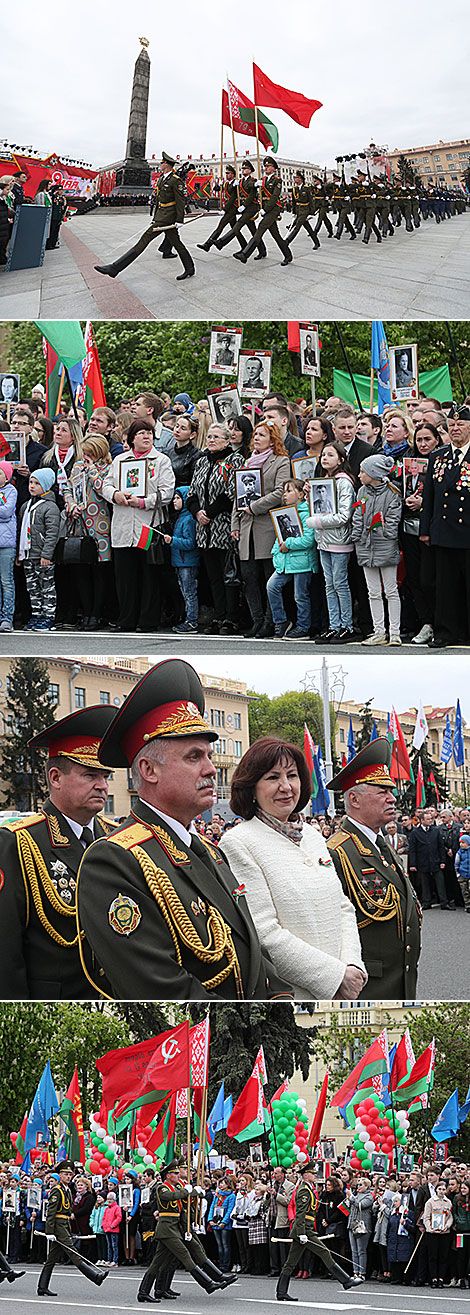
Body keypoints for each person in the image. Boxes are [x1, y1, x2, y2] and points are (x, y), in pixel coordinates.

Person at [76, 660, 294, 1001]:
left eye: (209, 755)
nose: (210, 769)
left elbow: (251, 949)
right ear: (149, 770)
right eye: (194, 757)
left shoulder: (211, 851)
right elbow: (159, 987)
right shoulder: (114, 861)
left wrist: (280, 1000)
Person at [220, 735, 367, 1000]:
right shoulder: (238, 842)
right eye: (273, 778)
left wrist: (352, 966)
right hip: (292, 996)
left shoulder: (311, 835)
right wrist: (334, 976)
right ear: (251, 787)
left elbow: (342, 906)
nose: (286, 787)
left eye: (292, 775)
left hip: (343, 989)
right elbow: (263, 932)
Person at [0, 706, 116, 999]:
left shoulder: (116, 837)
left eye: (105, 776)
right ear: (56, 778)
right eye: (90, 775)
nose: (102, 786)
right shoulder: (18, 843)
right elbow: (5, 950)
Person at [326, 738, 421, 997]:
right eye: (382, 792)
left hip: (399, 980)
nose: (392, 798)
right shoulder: (337, 852)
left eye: (391, 791)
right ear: (354, 799)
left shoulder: (381, 844)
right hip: (369, 987)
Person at [102, 418, 175, 632]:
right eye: (142, 433)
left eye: (150, 433)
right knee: (125, 576)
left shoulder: (161, 460)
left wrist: (144, 502)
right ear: (132, 438)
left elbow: (167, 491)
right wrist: (116, 494)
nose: (146, 436)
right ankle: (126, 619)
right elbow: (106, 485)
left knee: (148, 575)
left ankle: (148, 620)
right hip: (123, 524)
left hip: (148, 524)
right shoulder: (120, 461)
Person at [137, 1159, 232, 1302]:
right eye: (175, 1173)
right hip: (166, 1229)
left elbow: (185, 1200)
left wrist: (197, 1192)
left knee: (157, 1263)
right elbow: (172, 1196)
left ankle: (144, 1292)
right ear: (168, 1176)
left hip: (174, 1228)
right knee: (185, 1255)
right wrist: (186, 1191)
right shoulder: (162, 1188)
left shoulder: (176, 1188)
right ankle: (208, 1284)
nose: (177, 1175)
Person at [95, 152, 195, 282]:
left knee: (143, 241)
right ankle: (190, 268)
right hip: (161, 217)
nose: (160, 164)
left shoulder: (175, 180)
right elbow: (159, 200)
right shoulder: (161, 179)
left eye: (162, 163)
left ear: (168, 165)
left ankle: (115, 268)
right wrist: (156, 216)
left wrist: (179, 220)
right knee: (177, 244)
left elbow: (180, 201)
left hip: (168, 218)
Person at [231, 420, 290, 638]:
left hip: (266, 525)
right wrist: (234, 524)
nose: (256, 438)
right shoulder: (248, 462)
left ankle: (271, 620)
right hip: (246, 527)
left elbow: (280, 492)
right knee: (249, 578)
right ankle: (256, 620)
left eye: (262, 435)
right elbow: (237, 495)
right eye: (255, 434)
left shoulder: (281, 461)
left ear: (272, 439)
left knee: (268, 578)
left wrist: (254, 507)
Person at [419, 403, 470, 647]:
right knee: (445, 586)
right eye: (452, 425)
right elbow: (429, 496)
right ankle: (445, 632)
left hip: (468, 530)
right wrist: (425, 529)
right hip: (443, 530)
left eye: (461, 424)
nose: (456, 429)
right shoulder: (437, 456)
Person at [276, 1160, 361, 1299]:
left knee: (291, 1262)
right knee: (325, 1252)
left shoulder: (309, 1188)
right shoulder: (304, 1190)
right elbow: (301, 1214)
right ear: (305, 1175)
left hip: (304, 1230)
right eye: (312, 1173)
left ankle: (281, 1292)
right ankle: (346, 1280)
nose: (315, 1175)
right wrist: (302, 1233)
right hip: (305, 1230)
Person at [186, 423, 237, 634]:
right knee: (213, 576)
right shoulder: (201, 462)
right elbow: (192, 493)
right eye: (209, 436)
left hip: (223, 525)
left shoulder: (234, 460)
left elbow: (232, 492)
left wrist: (210, 512)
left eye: (217, 437)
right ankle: (218, 616)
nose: (212, 440)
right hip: (203, 529)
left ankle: (231, 618)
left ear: (227, 441)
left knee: (228, 575)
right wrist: (198, 511)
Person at [307, 438, 356, 643]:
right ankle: (334, 625)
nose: (325, 458)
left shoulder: (344, 482)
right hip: (323, 539)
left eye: (330, 455)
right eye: (323, 455)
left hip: (339, 540)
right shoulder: (322, 481)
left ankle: (347, 625)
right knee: (329, 584)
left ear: (341, 459)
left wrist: (317, 521)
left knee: (340, 583)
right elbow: (318, 508)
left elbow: (344, 516)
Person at [351, 453, 403, 646]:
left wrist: (382, 528)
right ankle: (379, 631)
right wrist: (357, 535)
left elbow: (393, 522)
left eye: (363, 471)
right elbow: (357, 514)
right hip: (365, 546)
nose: (359, 475)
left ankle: (395, 632)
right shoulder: (362, 492)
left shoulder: (392, 493)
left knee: (391, 590)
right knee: (373, 591)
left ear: (374, 473)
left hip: (385, 546)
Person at [37, 1161, 107, 1297]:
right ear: (60, 1175)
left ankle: (42, 1286)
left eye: (70, 1174)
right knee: (72, 1251)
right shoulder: (57, 1190)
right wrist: (50, 1231)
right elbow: (51, 1212)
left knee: (52, 1258)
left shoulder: (67, 1190)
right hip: (58, 1225)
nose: (68, 1177)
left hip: (64, 1224)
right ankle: (94, 1276)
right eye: (65, 1174)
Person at [266, 477, 317, 639]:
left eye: (289, 491)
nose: (285, 495)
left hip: (303, 561)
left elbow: (309, 540)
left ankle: (303, 627)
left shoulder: (306, 513)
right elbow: (278, 539)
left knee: (300, 595)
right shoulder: (284, 513)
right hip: (286, 561)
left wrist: (288, 544)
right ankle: (281, 621)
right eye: (284, 492)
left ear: (302, 494)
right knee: (271, 586)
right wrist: (276, 554)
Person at [18, 468, 60, 631]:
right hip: (28, 554)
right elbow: (20, 531)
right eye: (30, 482)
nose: (32, 486)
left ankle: (49, 616)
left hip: (42, 555)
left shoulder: (50, 507)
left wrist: (47, 554)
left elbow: (52, 533)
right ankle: (36, 615)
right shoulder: (25, 506)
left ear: (46, 485)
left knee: (46, 586)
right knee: (32, 587)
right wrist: (19, 553)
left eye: (37, 483)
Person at [233, 158, 292, 266]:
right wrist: (255, 185)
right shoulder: (262, 180)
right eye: (265, 166)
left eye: (268, 166)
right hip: (265, 208)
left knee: (260, 228)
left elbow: (274, 197)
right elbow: (251, 189)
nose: (266, 168)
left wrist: (266, 209)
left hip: (273, 209)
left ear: (273, 168)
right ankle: (288, 255)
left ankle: (245, 254)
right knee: (275, 235)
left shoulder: (277, 180)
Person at [164, 486, 199, 633]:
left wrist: (172, 540)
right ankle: (188, 619)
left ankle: (192, 621)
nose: (174, 501)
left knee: (189, 592)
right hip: (181, 562)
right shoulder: (180, 518)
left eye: (178, 498)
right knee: (185, 592)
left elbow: (190, 543)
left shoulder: (188, 519)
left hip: (187, 563)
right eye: (174, 498)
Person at [214, 160, 267, 257]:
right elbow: (223, 189)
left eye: (245, 168)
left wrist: (244, 205)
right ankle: (262, 250)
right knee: (253, 231)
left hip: (251, 207)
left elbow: (251, 194)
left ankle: (221, 242)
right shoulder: (240, 181)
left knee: (239, 224)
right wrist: (220, 184)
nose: (243, 170)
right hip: (244, 208)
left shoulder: (252, 180)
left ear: (250, 170)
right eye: (242, 168)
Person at [197, 167, 242, 253]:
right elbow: (216, 189)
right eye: (226, 173)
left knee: (221, 225)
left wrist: (224, 209)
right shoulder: (226, 184)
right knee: (235, 230)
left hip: (232, 208)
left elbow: (232, 198)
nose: (227, 175)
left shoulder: (236, 184)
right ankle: (244, 246)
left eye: (228, 173)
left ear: (233, 175)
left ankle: (207, 244)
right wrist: (218, 184)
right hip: (229, 208)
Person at [422, 1181, 453, 1289]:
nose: (441, 1191)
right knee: (433, 1256)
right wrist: (430, 1229)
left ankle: (441, 1278)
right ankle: (433, 1278)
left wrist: (447, 1226)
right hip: (432, 1233)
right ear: (436, 1190)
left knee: (443, 1256)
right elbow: (426, 1218)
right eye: (440, 1189)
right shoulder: (430, 1202)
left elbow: (450, 1217)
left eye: (444, 1189)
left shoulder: (448, 1202)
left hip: (444, 1233)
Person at [0, 459, 17, 631]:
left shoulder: (11, 490)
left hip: (6, 543)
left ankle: (7, 617)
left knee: (6, 581)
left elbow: (6, 512)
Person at [347, 1177, 374, 1281]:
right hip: (352, 1224)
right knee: (354, 1251)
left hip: (362, 1226)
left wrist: (351, 1197)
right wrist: (348, 1199)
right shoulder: (356, 1195)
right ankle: (355, 1271)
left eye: (360, 1185)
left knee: (361, 1250)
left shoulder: (369, 1196)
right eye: (358, 1185)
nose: (358, 1187)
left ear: (366, 1186)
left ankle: (362, 1272)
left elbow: (360, 1205)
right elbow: (350, 1206)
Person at [286, 175, 319, 252]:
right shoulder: (294, 189)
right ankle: (316, 242)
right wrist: (294, 212)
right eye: (294, 177)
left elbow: (311, 201)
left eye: (296, 177)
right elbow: (294, 202)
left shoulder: (307, 188)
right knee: (308, 228)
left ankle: (287, 241)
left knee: (297, 226)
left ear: (300, 179)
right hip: (298, 210)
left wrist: (311, 213)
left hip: (305, 210)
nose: (294, 179)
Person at [455, 833, 470, 913]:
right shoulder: (459, 853)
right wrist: (458, 873)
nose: (461, 844)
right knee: (465, 891)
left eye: (463, 842)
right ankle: (467, 905)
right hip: (462, 874)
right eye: (460, 842)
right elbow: (456, 864)